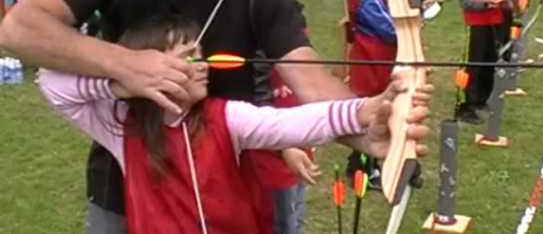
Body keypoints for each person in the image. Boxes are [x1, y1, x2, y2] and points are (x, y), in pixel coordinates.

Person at [0, 0, 433, 233]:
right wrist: (126, 70)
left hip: (231, 188)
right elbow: (19, 31)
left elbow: (310, 90)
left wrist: (373, 125)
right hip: (126, 189)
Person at [38, 14, 430, 234]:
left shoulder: (227, 117)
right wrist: (124, 80)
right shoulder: (121, 125)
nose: (204, 64)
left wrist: (368, 109)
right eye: (188, 58)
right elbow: (52, 82)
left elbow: (293, 123)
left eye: (202, 54)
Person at [342, 0, 434, 190]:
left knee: (386, 115)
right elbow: (392, 30)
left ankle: (396, 167)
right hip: (373, 65)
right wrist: (419, 16)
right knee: (376, 118)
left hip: (374, 61)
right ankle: (364, 169)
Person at [250, 0, 316, 234]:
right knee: (280, 223)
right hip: (273, 150)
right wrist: (284, 144)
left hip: (297, 138)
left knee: (295, 216)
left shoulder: (292, 21)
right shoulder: (256, 30)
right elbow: (257, 93)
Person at [456, 0, 513, 124]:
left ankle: (482, 98)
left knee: (491, 60)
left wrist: (507, 0)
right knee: (475, 63)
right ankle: (467, 104)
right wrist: (483, 4)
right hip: (477, 21)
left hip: (496, 20)